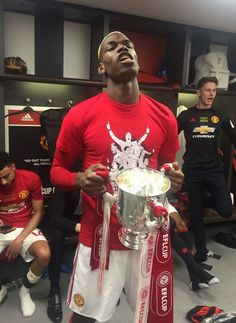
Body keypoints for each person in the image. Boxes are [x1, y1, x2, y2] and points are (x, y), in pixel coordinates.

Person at [50, 31, 184, 323]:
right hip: (99, 237)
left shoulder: (164, 116)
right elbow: (57, 171)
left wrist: (174, 179)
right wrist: (79, 180)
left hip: (148, 236)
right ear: (101, 67)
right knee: (86, 317)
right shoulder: (81, 115)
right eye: (112, 46)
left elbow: (168, 167)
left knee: (153, 317)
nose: (123, 48)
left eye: (128, 45)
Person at [177, 76, 236, 263]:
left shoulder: (221, 116)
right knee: (196, 216)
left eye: (214, 90)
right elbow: (169, 137)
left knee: (226, 210)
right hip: (192, 172)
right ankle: (201, 251)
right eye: (208, 90)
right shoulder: (186, 116)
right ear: (199, 92)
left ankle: (203, 202)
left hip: (213, 170)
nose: (211, 94)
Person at [0, 151, 50, 317]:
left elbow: (38, 212)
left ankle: (25, 291)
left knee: (44, 255)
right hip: (2, 227)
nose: (3, 182)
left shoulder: (31, 178)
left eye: (6, 176)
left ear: (13, 167)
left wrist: (19, 240)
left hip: (25, 227)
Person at [47, 188, 81, 323]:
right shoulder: (67, 182)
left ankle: (103, 284)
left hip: (88, 219)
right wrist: (78, 226)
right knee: (56, 236)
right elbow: (55, 217)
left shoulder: (103, 184)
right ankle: (54, 289)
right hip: (65, 219)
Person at [168, 208, 219, 291]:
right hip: (147, 205)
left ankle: (194, 280)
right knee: (171, 225)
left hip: (162, 199)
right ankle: (199, 274)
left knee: (181, 224)